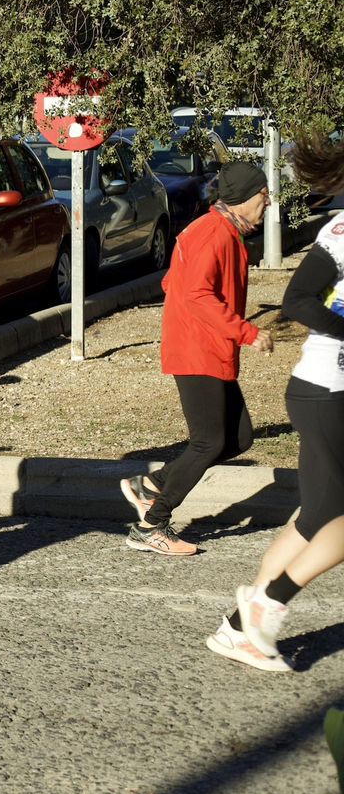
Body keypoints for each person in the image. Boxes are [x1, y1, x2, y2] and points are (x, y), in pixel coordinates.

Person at [203, 137, 344, 670]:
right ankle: (268, 606)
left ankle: (241, 628)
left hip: (323, 389)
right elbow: (297, 300)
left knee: (316, 517)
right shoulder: (342, 232)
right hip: (327, 390)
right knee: (337, 517)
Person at [120, 161, 273, 556]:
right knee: (208, 443)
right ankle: (151, 525)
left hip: (209, 348)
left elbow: (172, 280)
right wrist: (247, 331)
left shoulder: (220, 229)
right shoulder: (213, 233)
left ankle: (151, 486)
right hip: (197, 350)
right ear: (243, 198)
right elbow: (196, 294)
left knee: (238, 438)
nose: (268, 201)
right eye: (263, 194)